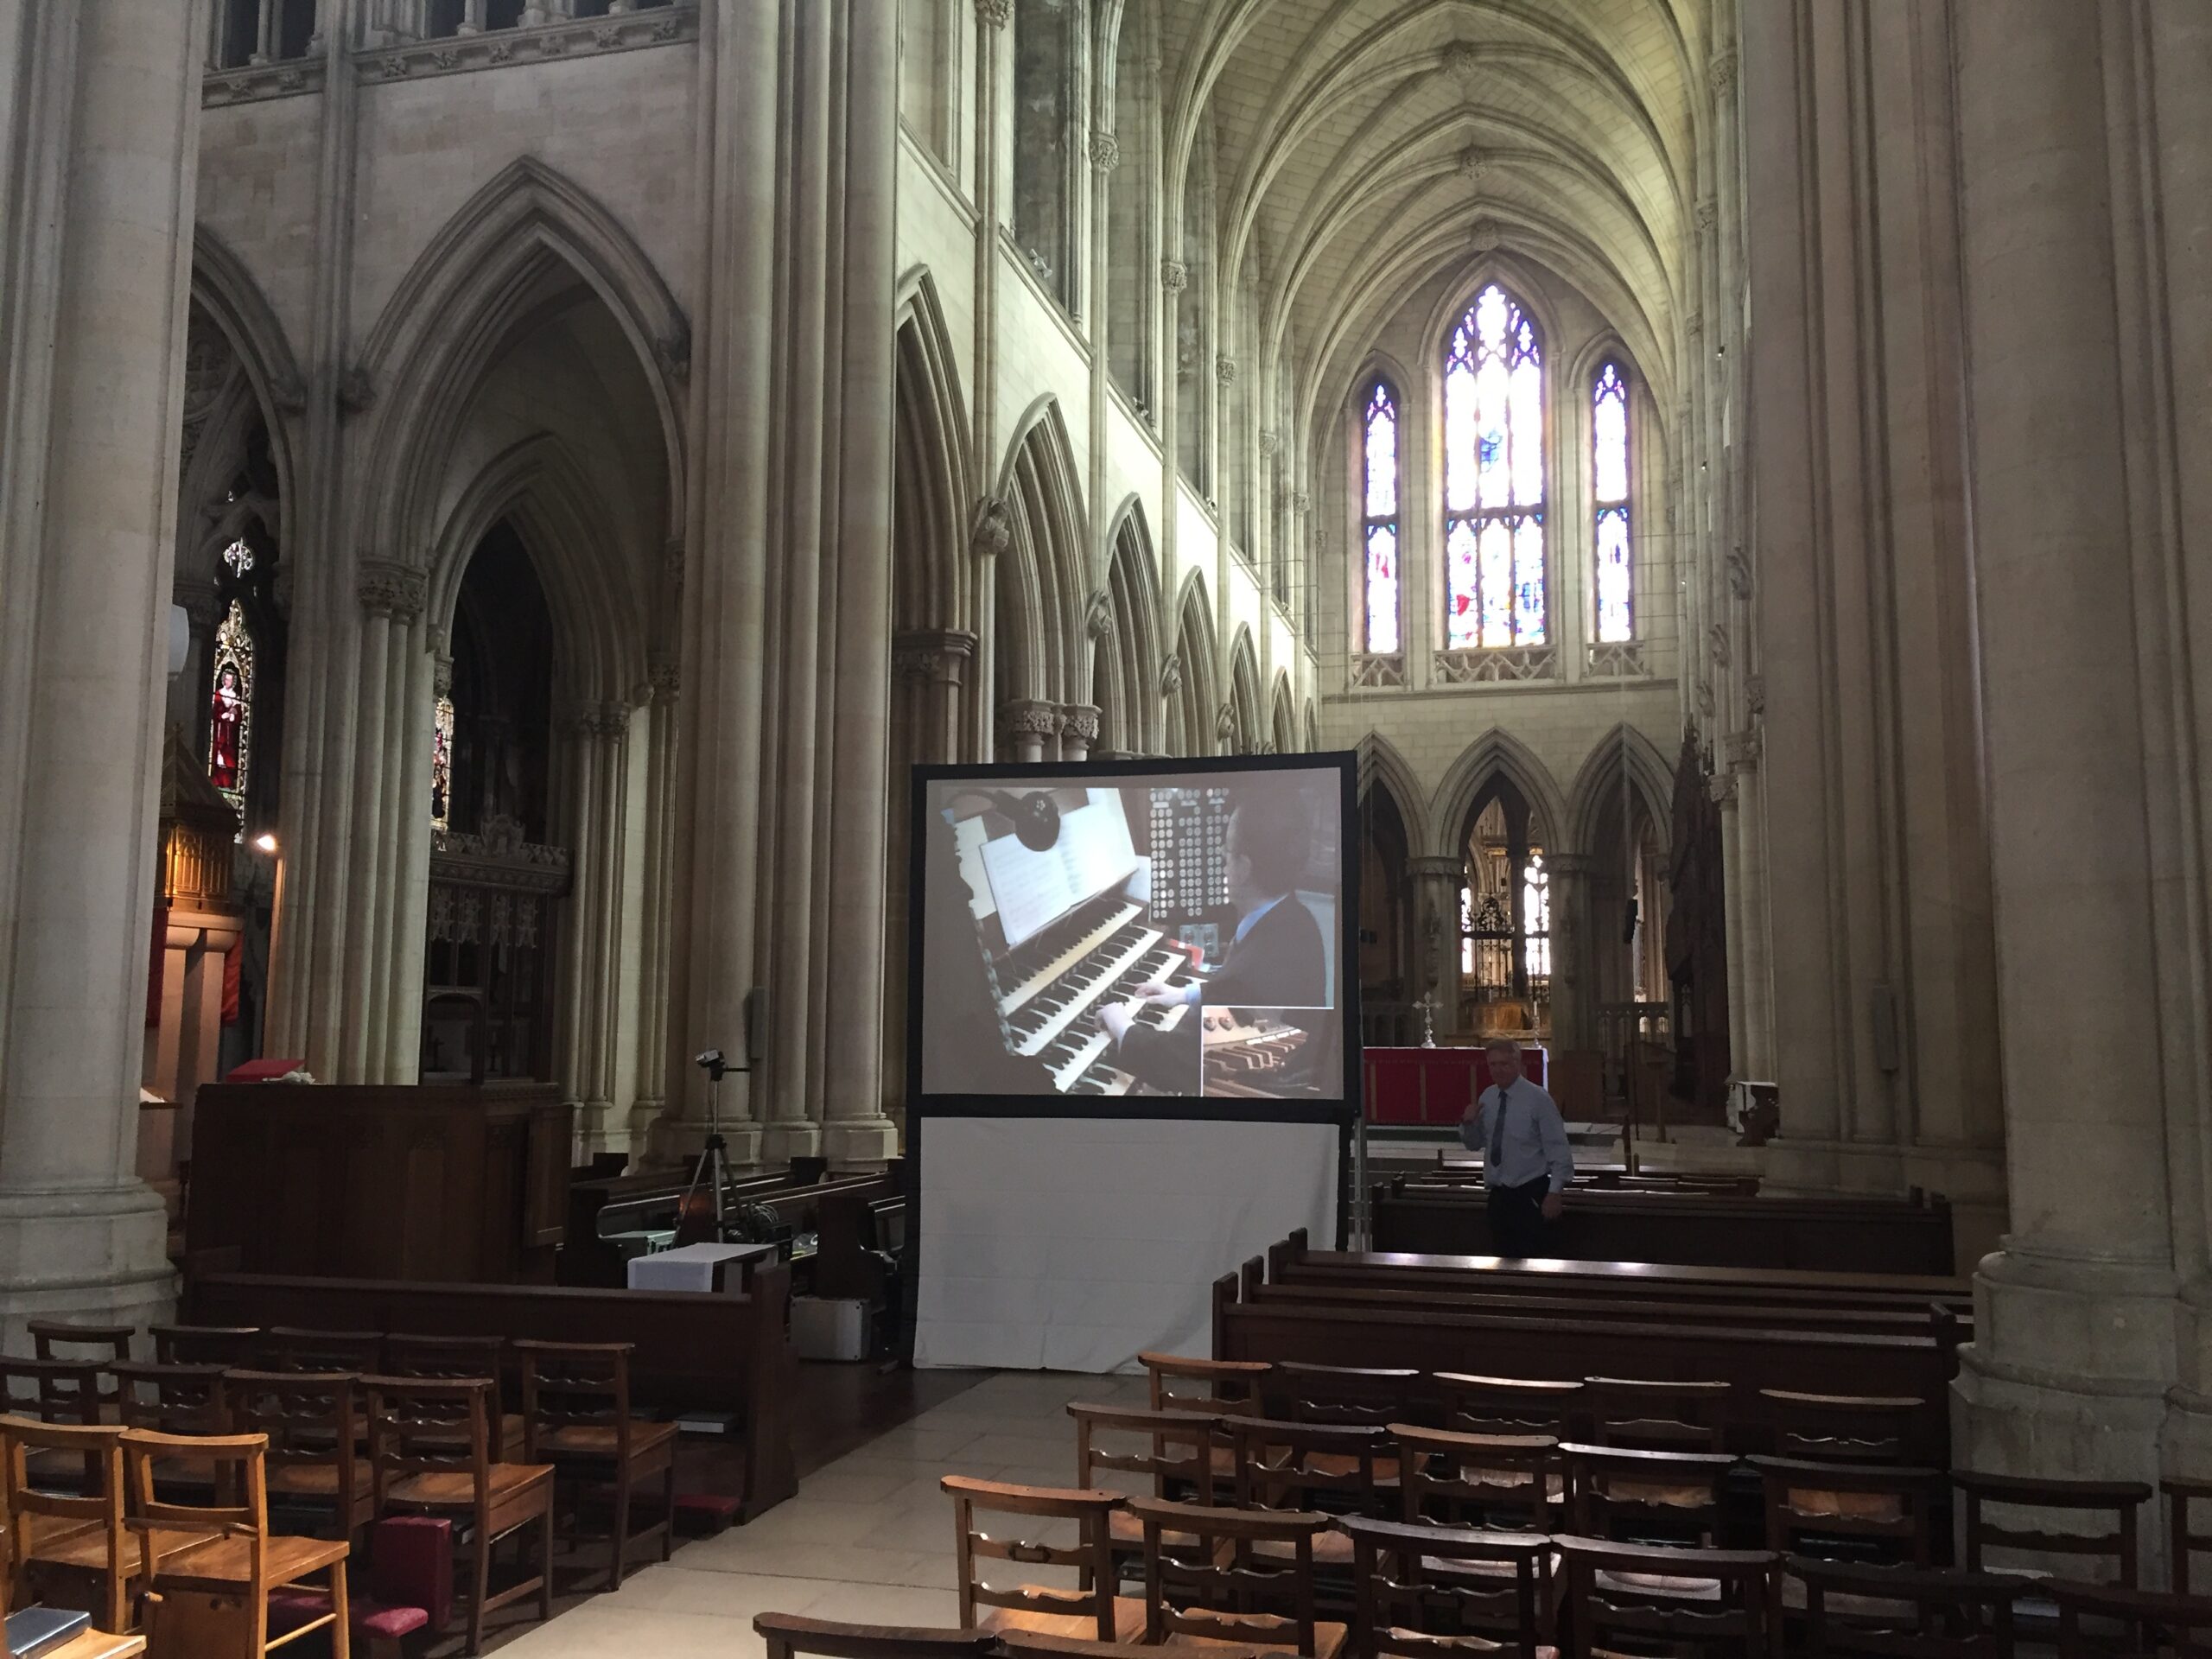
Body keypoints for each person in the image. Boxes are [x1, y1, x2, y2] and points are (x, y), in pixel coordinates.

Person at [1099, 786, 1325, 1090]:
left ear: (1244, 869)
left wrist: (1120, 1022)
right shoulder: (1297, 921)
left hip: (1249, 1101)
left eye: (1227, 854)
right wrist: (1186, 994)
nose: (1223, 863)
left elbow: (1178, 1064)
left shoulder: (1250, 976)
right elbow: (1246, 999)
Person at [1462, 1038, 1572, 1257]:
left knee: (1533, 1260)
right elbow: (1474, 1145)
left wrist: (1554, 1192)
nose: (1498, 1070)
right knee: (1501, 1259)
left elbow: (1558, 1148)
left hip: (1530, 1192)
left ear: (1518, 1064)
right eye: (1493, 1064)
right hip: (1499, 1195)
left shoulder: (1538, 1098)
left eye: (1504, 1064)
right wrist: (1468, 1123)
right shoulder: (1488, 1097)